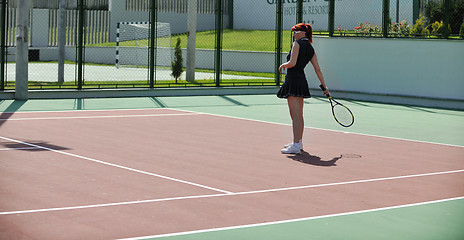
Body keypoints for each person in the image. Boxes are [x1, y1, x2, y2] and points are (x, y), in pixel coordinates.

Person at [277, 23, 329, 154]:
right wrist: (324, 87)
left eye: (296, 32)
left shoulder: (297, 44)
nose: (294, 34)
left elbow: (292, 63)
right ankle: (298, 142)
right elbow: (318, 69)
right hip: (301, 81)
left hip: (293, 81)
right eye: (293, 32)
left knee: (295, 116)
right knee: (299, 115)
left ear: (303, 33)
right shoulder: (310, 48)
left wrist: (283, 65)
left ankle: (295, 145)